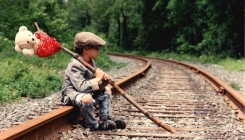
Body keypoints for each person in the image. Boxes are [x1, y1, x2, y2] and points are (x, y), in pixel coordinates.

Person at [61, 32, 125, 131]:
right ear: (85, 49)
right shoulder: (75, 64)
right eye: (96, 48)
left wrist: (103, 84)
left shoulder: (91, 62)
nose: (98, 50)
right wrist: (98, 78)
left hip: (87, 93)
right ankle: (93, 124)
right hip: (72, 94)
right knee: (87, 99)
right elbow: (81, 87)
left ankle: (105, 119)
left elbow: (93, 86)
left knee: (106, 92)